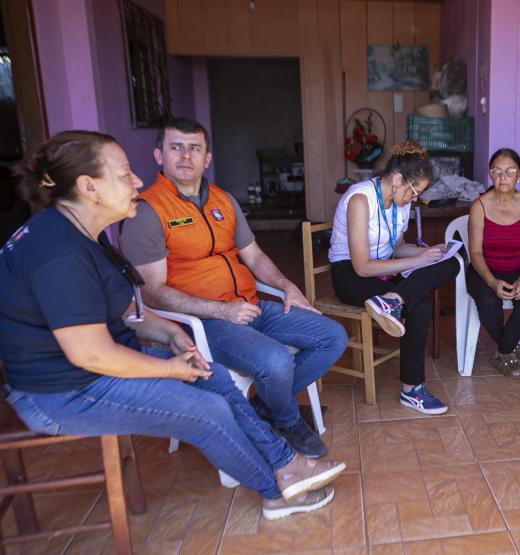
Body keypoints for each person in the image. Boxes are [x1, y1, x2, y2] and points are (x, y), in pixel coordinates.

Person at [0, 131, 346, 520]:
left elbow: (124, 311)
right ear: (88, 187)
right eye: (124, 174)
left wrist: (170, 333)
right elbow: (90, 353)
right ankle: (276, 493)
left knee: (212, 375)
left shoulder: (81, 235)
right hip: (65, 391)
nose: (136, 182)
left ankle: (286, 463)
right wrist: (170, 367)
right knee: (207, 412)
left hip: (100, 366)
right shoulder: (58, 253)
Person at [119, 118, 347, 457]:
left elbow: (253, 256)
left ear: (207, 158)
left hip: (249, 306)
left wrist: (287, 287)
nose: (185, 156)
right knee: (275, 362)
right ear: (158, 155)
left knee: (332, 336)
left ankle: (259, 411)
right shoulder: (146, 211)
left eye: (194, 148)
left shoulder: (223, 201)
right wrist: (221, 310)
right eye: (175, 147)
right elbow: (152, 291)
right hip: (203, 321)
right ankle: (286, 420)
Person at [328, 141, 459, 414]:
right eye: (415, 192)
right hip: (350, 275)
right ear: (398, 179)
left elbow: (397, 247)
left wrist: (429, 253)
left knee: (453, 263)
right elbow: (362, 266)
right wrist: (417, 261)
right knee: (419, 305)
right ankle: (412, 389)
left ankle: (393, 301)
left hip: (385, 274)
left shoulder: (401, 203)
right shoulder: (360, 199)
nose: (415, 199)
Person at [466, 148, 520, 378]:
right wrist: (491, 282)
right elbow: (475, 252)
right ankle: (508, 348)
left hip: (519, 269)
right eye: (497, 171)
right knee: (489, 303)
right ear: (490, 175)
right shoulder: (479, 206)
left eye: (510, 171)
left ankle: (503, 350)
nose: (503, 177)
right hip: (484, 271)